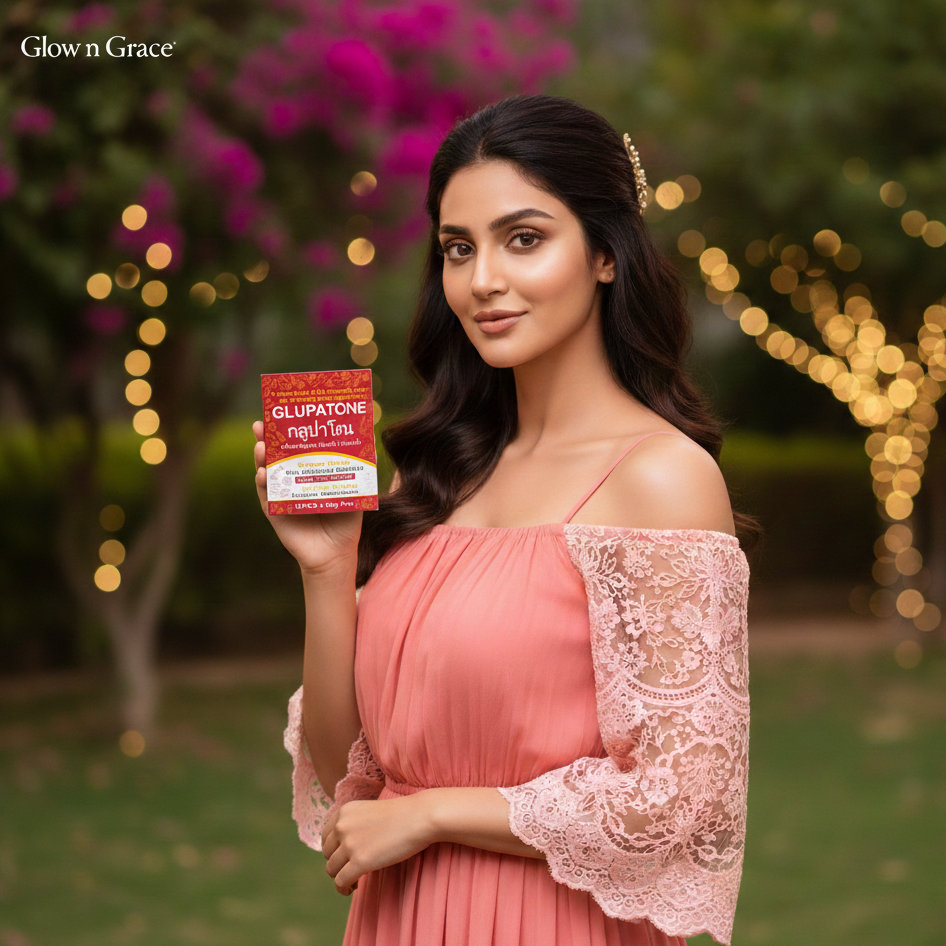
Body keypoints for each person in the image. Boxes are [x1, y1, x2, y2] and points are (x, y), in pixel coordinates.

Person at [253, 93, 754, 946]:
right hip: (404, 922)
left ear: (605, 253)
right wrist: (328, 571)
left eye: (524, 238)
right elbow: (352, 778)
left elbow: (682, 796)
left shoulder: (662, 477)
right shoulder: (442, 480)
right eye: (458, 248)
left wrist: (436, 815)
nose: (482, 279)